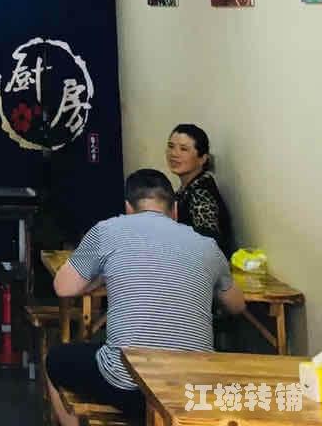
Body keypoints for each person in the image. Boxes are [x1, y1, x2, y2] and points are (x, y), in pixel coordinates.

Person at [45, 168, 245, 426]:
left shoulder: (107, 230)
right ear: (174, 211)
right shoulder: (207, 245)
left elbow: (63, 287)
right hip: (193, 387)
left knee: (55, 360)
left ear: (128, 208)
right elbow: (237, 305)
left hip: (128, 386)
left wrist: (103, 275)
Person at [167, 122, 234, 257]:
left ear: (202, 158)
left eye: (183, 149)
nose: (174, 154)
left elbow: (209, 247)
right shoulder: (188, 188)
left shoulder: (201, 195)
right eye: (171, 146)